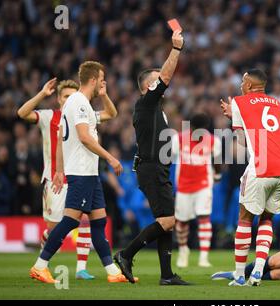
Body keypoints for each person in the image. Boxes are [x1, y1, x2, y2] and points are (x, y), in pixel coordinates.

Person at [29, 61, 128, 284]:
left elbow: (63, 139)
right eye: (101, 78)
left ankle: (112, 272)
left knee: (99, 222)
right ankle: (40, 265)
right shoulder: (79, 103)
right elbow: (84, 137)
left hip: (90, 173)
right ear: (92, 79)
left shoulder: (79, 104)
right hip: (81, 172)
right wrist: (110, 157)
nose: (104, 81)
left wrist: (60, 170)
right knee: (70, 222)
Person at [113, 30, 189, 285]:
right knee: (168, 220)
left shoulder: (156, 110)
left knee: (165, 221)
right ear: (149, 86)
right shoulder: (145, 103)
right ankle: (126, 253)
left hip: (158, 168)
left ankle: (167, 275)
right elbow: (166, 75)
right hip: (152, 168)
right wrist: (176, 49)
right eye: (157, 81)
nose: (164, 83)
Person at [18, 79, 109, 280]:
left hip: (79, 176)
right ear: (59, 99)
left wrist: (103, 95)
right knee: (56, 228)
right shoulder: (49, 116)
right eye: (66, 96)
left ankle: (81, 269)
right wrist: (42, 94)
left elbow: (110, 114)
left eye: (72, 95)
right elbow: (22, 113)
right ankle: (45, 250)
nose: (70, 99)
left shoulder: (83, 114)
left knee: (84, 219)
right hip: (54, 180)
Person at [219, 69, 280, 286]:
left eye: (243, 81)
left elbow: (241, 141)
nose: (241, 84)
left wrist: (234, 115)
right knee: (267, 219)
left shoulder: (240, 102)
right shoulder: (277, 103)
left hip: (261, 167)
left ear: (249, 85)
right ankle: (258, 270)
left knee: (245, 218)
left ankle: (240, 275)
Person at [172, 113, 222, 268]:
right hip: (183, 186)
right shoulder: (178, 139)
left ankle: (203, 257)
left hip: (204, 185)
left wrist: (217, 175)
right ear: (191, 128)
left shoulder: (214, 141)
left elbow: (218, 160)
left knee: (204, 217)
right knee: (182, 221)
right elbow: (172, 160)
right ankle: (183, 251)